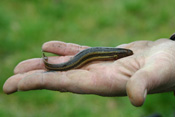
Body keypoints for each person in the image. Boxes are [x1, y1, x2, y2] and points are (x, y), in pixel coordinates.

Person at [3, 38, 175, 107]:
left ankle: (50, 64)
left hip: (86, 56)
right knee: (70, 64)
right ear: (120, 55)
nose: (128, 54)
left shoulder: (117, 54)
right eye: (127, 54)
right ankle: (50, 65)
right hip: (82, 57)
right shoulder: (115, 54)